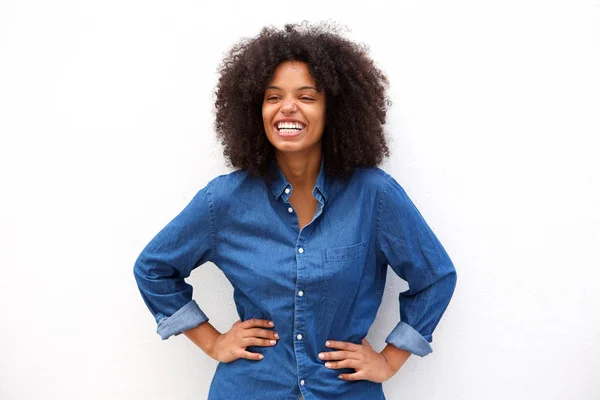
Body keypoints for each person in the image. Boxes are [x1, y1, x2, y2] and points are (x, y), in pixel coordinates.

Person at [133, 22, 457, 400]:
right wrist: (212, 342)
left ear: (332, 109)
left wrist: (390, 359)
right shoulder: (223, 200)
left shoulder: (375, 196)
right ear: (256, 110)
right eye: (273, 97)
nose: (287, 107)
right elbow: (153, 269)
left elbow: (435, 277)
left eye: (306, 96)